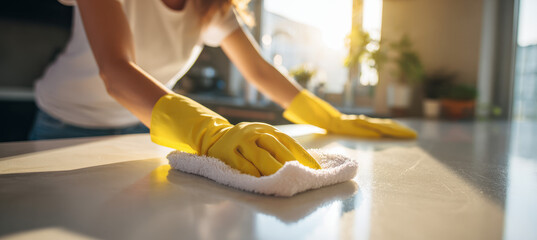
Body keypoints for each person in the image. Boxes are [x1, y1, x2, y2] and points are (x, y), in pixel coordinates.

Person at [30, 0, 417, 177]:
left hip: (139, 128)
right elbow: (115, 70)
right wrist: (209, 131)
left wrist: (327, 117)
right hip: (64, 126)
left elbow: (259, 71)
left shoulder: (210, 6)